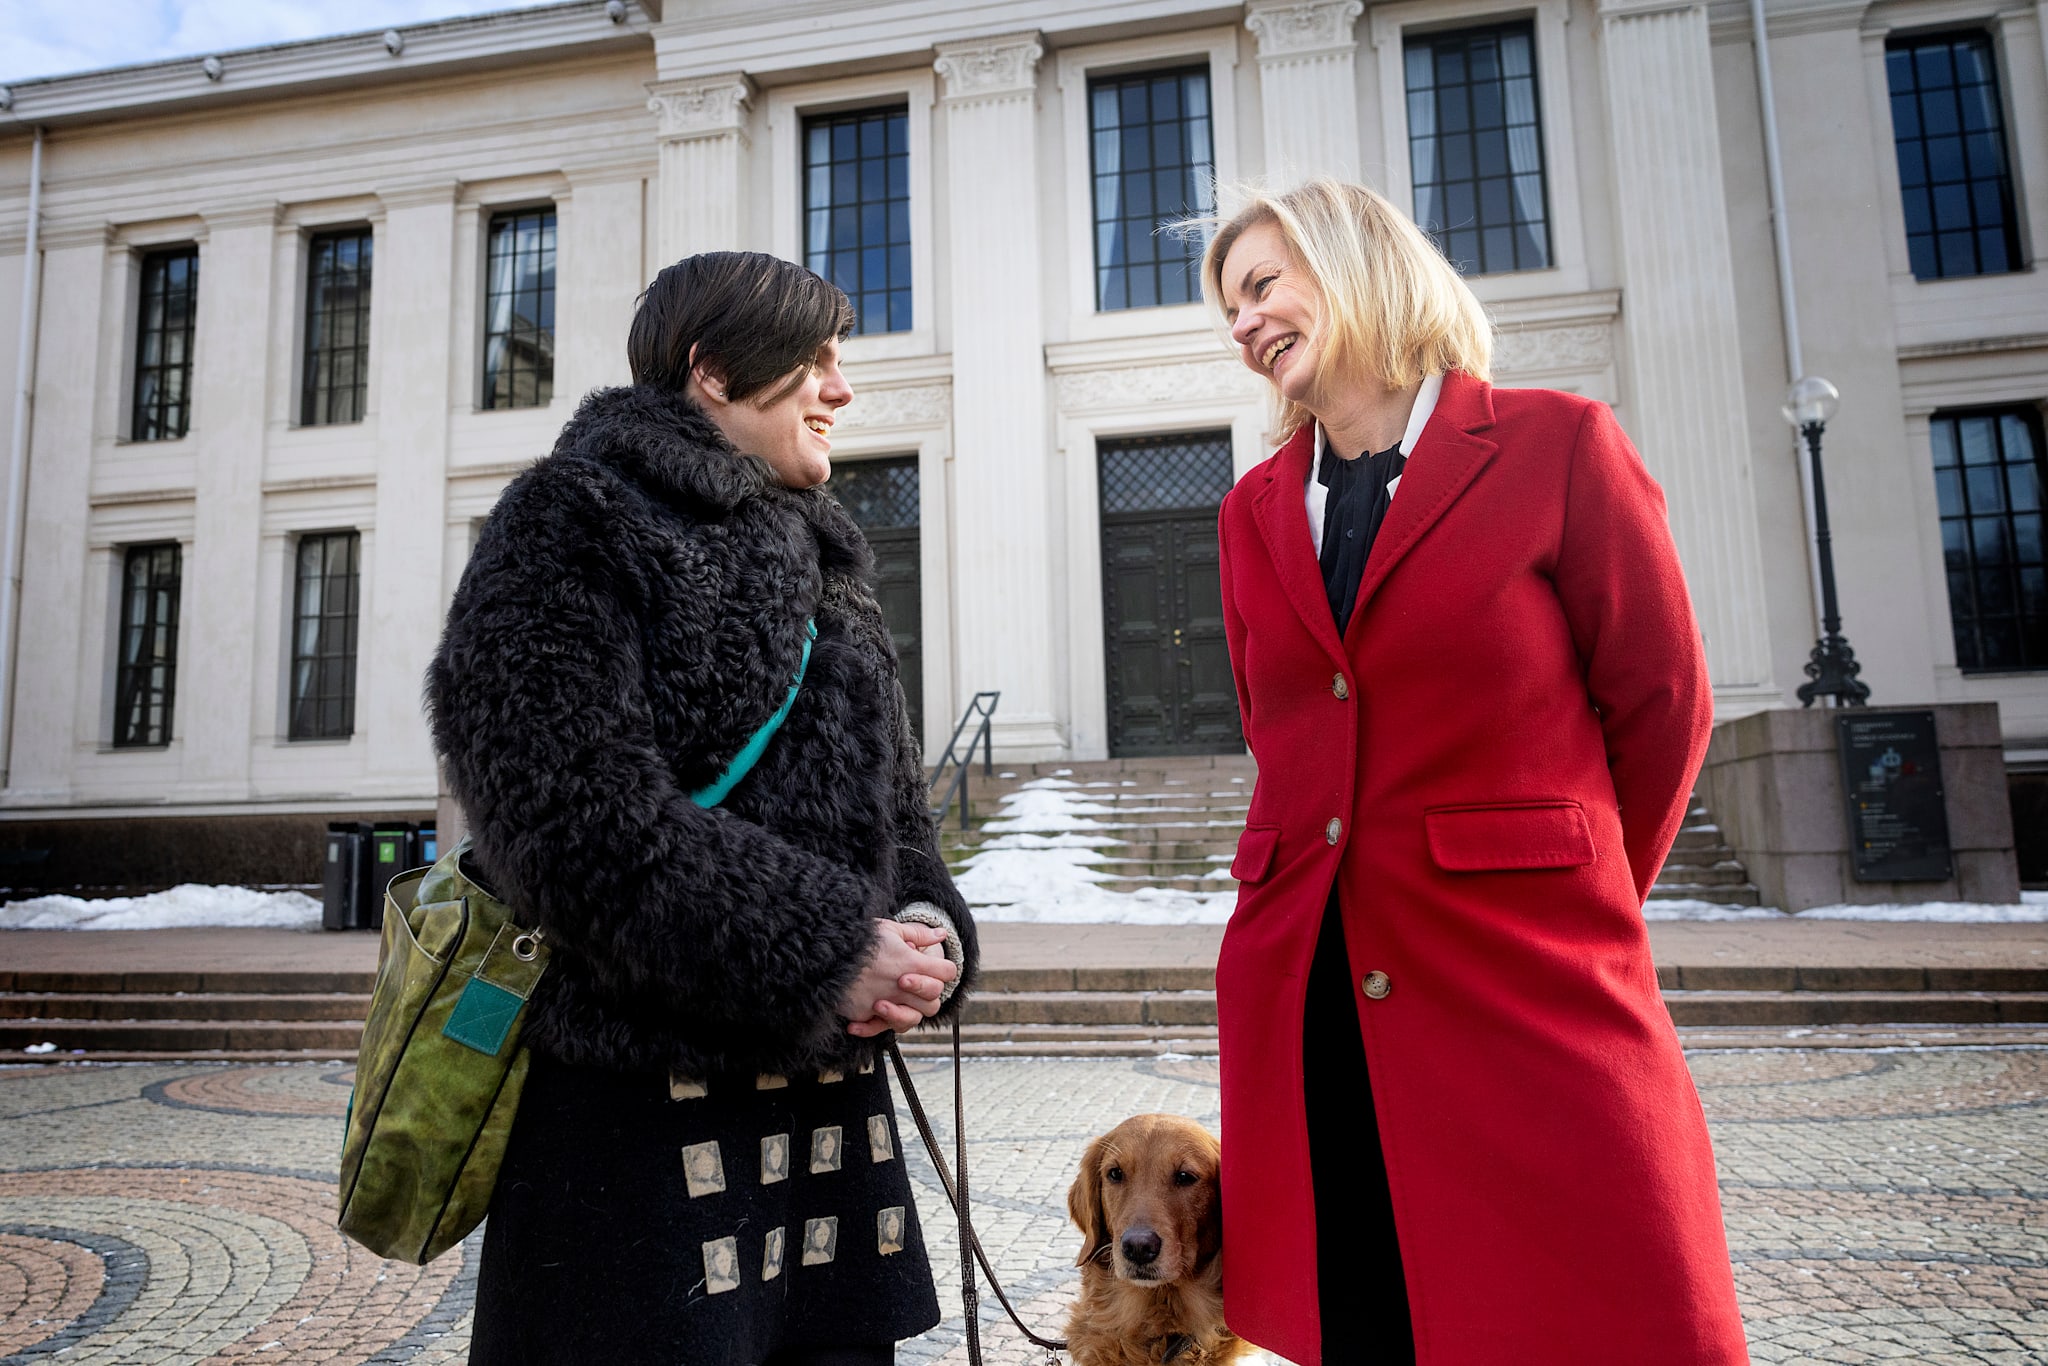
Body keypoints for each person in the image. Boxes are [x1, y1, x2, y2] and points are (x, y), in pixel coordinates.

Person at [1201, 179, 1750, 1366]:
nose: (1241, 324)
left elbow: (1661, 704)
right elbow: (1278, 733)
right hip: (1308, 982)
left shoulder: (1557, 445)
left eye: (1260, 285)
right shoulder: (1249, 512)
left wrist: (1571, 891)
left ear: (1355, 265)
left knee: (1590, 1301)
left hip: (1520, 974)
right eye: (1227, 309)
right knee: (1369, 1312)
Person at [428, 250, 977, 1366]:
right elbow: (571, 823)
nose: (842, 387)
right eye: (814, 361)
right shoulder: (566, 518)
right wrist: (828, 948)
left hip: (825, 1115)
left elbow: (896, 818)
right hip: (636, 1129)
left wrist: (926, 932)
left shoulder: (830, 561)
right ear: (714, 371)